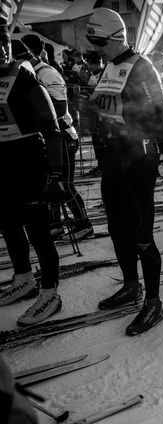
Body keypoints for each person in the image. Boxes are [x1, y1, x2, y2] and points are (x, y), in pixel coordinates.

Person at [85, 8, 163, 335]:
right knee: (117, 227)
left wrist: (132, 118)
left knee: (140, 232)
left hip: (139, 157)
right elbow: (105, 106)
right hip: (115, 157)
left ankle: (154, 302)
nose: (96, 48)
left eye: (100, 42)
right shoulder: (110, 66)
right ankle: (131, 285)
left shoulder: (141, 68)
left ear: (116, 37)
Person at [0, 26, 66, 325]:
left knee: (38, 231)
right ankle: (24, 277)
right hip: (4, 160)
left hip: (29, 159)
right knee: (9, 224)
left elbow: (53, 131)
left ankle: (50, 293)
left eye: (3, 43)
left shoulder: (25, 78)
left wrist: (56, 175)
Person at [21, 34, 93, 240]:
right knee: (50, 183)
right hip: (48, 137)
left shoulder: (47, 73)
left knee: (65, 184)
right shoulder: (29, 72)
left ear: (29, 53)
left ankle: (83, 224)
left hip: (63, 136)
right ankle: (55, 224)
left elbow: (60, 107)